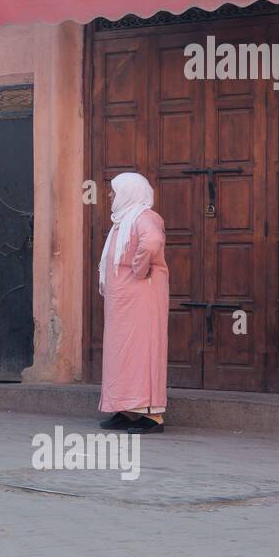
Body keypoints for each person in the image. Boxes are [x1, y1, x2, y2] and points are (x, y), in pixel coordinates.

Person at [97, 172, 169, 434]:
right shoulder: (124, 219)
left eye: (114, 191)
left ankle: (151, 415)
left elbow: (152, 241)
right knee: (121, 352)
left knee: (142, 351)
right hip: (124, 300)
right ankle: (127, 410)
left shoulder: (144, 217)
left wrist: (138, 270)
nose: (109, 195)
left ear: (129, 192)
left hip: (142, 297)